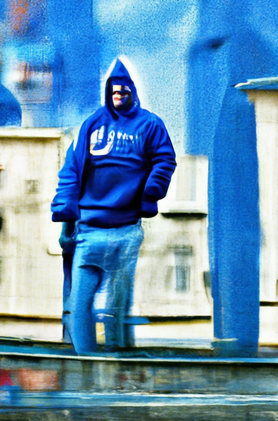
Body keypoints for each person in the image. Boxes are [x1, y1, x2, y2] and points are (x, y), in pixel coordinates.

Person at [51, 56, 176, 353]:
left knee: (116, 304)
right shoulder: (92, 124)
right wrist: (66, 216)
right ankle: (86, 361)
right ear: (108, 92)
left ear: (132, 90)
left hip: (127, 229)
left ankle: (116, 362)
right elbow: (72, 170)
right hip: (90, 230)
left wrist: (149, 194)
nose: (118, 95)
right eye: (114, 90)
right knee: (80, 301)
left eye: (123, 90)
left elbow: (165, 159)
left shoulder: (150, 125)